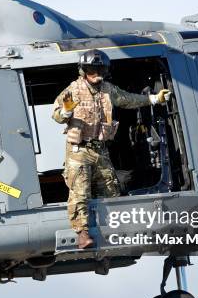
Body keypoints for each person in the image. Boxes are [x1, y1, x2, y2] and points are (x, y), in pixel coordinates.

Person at [52, 49, 171, 249]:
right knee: (80, 191)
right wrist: (65, 111)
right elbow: (57, 115)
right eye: (91, 69)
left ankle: (113, 231)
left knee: (111, 189)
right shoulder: (73, 90)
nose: (95, 73)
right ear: (83, 70)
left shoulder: (108, 90)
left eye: (99, 69)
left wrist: (153, 99)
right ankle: (82, 233)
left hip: (100, 150)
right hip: (79, 151)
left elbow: (128, 99)